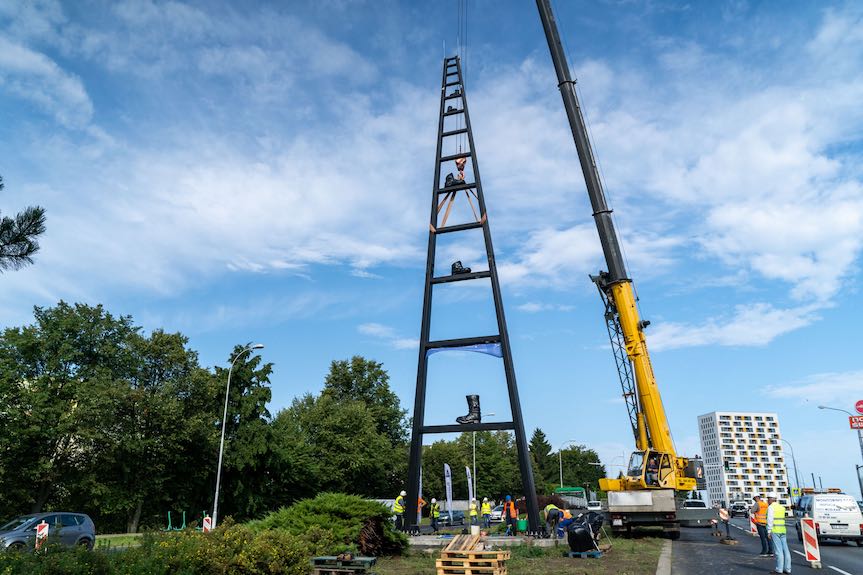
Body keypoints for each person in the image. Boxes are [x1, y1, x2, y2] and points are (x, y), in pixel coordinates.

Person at [767, 493, 791, 574]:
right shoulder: (781, 507)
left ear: (771, 499)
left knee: (778, 551)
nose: (767, 500)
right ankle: (788, 569)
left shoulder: (771, 507)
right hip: (783, 530)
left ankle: (779, 569)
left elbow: (770, 520)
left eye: (768, 499)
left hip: (775, 530)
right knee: (786, 550)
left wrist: (769, 531)